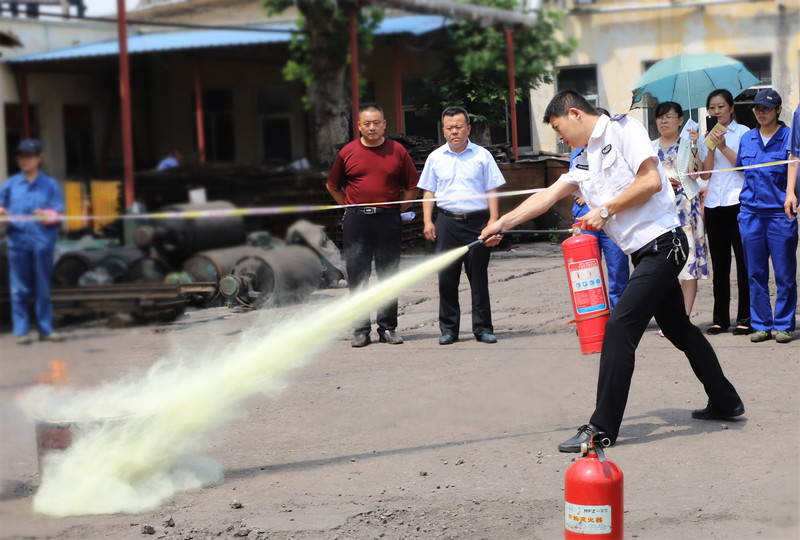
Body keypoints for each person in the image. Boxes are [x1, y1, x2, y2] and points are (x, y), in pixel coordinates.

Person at [480, 91, 744, 452]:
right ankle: (726, 400)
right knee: (678, 327)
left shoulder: (624, 131)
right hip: (644, 252)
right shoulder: (585, 158)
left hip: (666, 245)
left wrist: (603, 212)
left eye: (559, 128)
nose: (560, 137)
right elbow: (546, 196)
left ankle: (600, 428)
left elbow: (652, 181)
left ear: (575, 114)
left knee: (619, 327)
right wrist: (501, 223)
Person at [326, 103, 419, 347]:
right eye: (366, 123)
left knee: (388, 274)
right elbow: (333, 186)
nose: (372, 127)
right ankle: (360, 330)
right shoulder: (348, 152)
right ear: (359, 127)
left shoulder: (397, 151)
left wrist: (399, 210)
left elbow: (412, 186)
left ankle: (388, 328)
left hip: (388, 218)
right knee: (358, 275)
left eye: (376, 122)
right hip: (357, 220)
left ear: (384, 124)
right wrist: (348, 206)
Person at [418, 106, 506, 345]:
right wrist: (427, 221)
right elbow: (428, 192)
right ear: (443, 130)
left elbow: (492, 189)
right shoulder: (435, 158)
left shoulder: (482, 155)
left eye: (459, 127)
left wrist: (493, 221)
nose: (454, 132)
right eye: (449, 128)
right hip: (446, 223)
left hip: (477, 223)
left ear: (468, 129)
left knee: (478, 279)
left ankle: (483, 328)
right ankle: (449, 329)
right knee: (447, 279)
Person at [735, 89, 796, 344]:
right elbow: (739, 168)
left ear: (778, 110)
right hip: (750, 214)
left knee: (784, 273)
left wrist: (791, 194)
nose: (761, 114)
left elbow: (795, 165)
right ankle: (761, 324)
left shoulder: (789, 137)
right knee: (755, 273)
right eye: (757, 109)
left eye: (766, 109)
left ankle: (783, 324)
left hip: (779, 214)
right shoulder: (748, 138)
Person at [0, 139, 65, 345]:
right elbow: (1, 206)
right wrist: (2, 213)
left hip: (42, 242)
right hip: (18, 241)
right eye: (21, 157)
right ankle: (22, 331)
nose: (24, 160)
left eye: (28, 156)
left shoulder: (50, 185)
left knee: (43, 287)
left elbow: (59, 212)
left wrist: (47, 214)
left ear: (39, 158)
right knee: (19, 288)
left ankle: (45, 329)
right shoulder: (10, 184)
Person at [700, 89, 752, 336]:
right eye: (712, 107)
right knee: (720, 265)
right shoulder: (707, 136)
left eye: (721, 106)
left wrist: (722, 147)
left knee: (744, 263)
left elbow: (744, 167)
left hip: (738, 202)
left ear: (731, 108)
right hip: (714, 205)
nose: (716, 111)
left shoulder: (744, 134)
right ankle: (720, 319)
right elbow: (706, 174)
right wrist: (709, 148)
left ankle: (745, 318)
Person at [651, 101, 708, 320]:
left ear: (680, 120)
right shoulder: (650, 146)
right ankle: (668, 317)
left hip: (686, 209)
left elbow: (696, 175)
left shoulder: (689, 143)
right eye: (659, 117)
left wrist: (695, 147)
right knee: (662, 265)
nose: (663, 121)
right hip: (659, 211)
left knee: (689, 262)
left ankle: (682, 318)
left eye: (668, 117)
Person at [570, 108, 630, 310]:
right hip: (585, 219)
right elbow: (571, 182)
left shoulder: (615, 148)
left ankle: (619, 314)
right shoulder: (577, 152)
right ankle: (593, 315)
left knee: (618, 268)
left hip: (612, 217)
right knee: (586, 271)